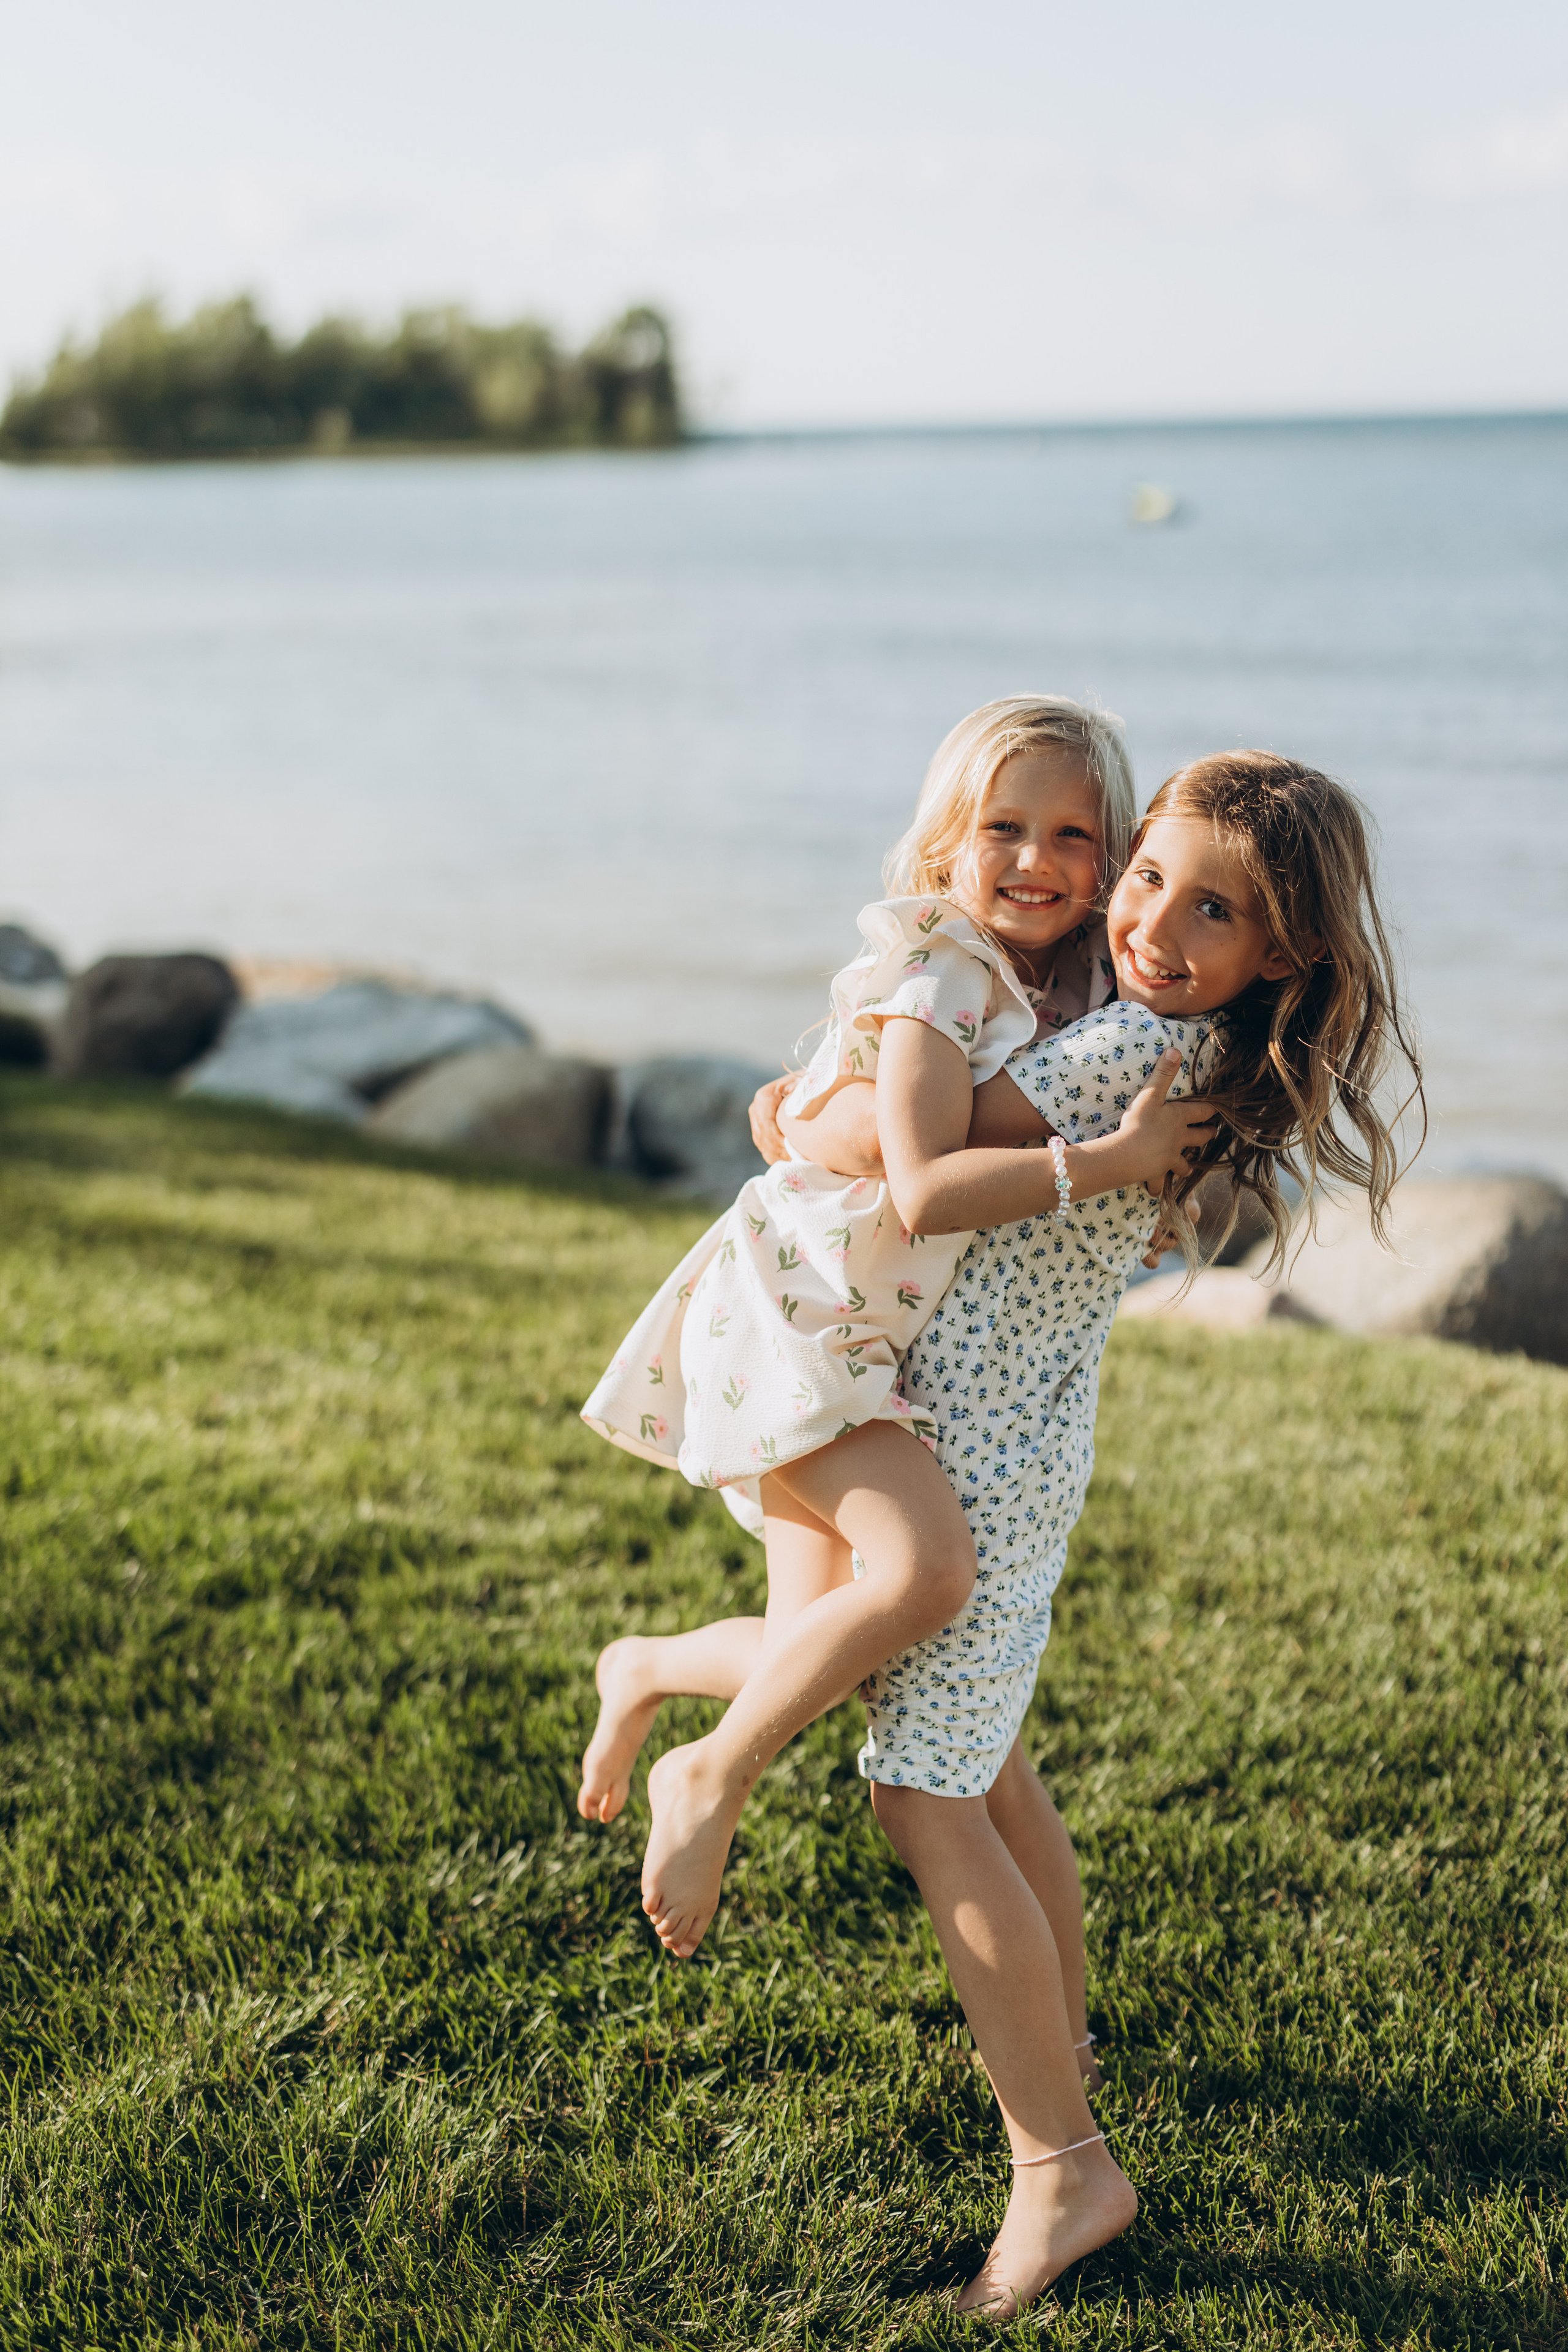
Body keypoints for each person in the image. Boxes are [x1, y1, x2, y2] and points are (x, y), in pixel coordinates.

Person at [583, 749, 1421, 2318]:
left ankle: (1062, 2167)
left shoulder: (1124, 1050)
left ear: (1285, 947)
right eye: (1148, 879)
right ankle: (1060, 2045)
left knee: (927, 1797)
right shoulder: (1188, 1037)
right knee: (978, 1763)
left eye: (1215, 909)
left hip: (967, 1447)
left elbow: (910, 1158)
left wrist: (802, 1109)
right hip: (994, 1431)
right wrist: (833, 1101)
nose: (1154, 922)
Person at [579, 693, 1207, 1860]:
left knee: (810, 1643)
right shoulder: (945, 971)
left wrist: (1150, 1199)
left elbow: (1073, 1105)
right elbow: (910, 1159)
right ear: (944, 845)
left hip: (876, 1326)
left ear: (1114, 859)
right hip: (803, 1316)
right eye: (1003, 829)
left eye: (1073, 836)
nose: (1036, 860)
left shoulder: (1088, 981)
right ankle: (708, 1776)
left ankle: (646, 1668)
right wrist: (1107, 1164)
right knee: (923, 1579)